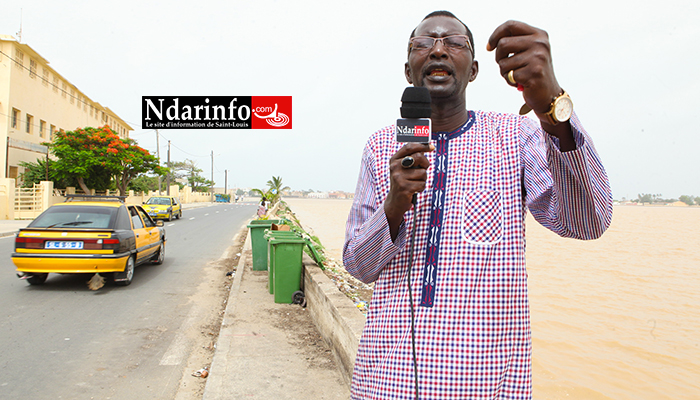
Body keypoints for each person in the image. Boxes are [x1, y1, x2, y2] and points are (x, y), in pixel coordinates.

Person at [343, 11, 612, 400]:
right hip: (386, 381)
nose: (437, 50)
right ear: (408, 70)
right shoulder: (382, 146)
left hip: (485, 383)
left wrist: (552, 108)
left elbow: (588, 223)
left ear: (473, 70)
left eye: (453, 43)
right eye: (423, 44)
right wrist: (394, 204)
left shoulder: (514, 135)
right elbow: (356, 266)